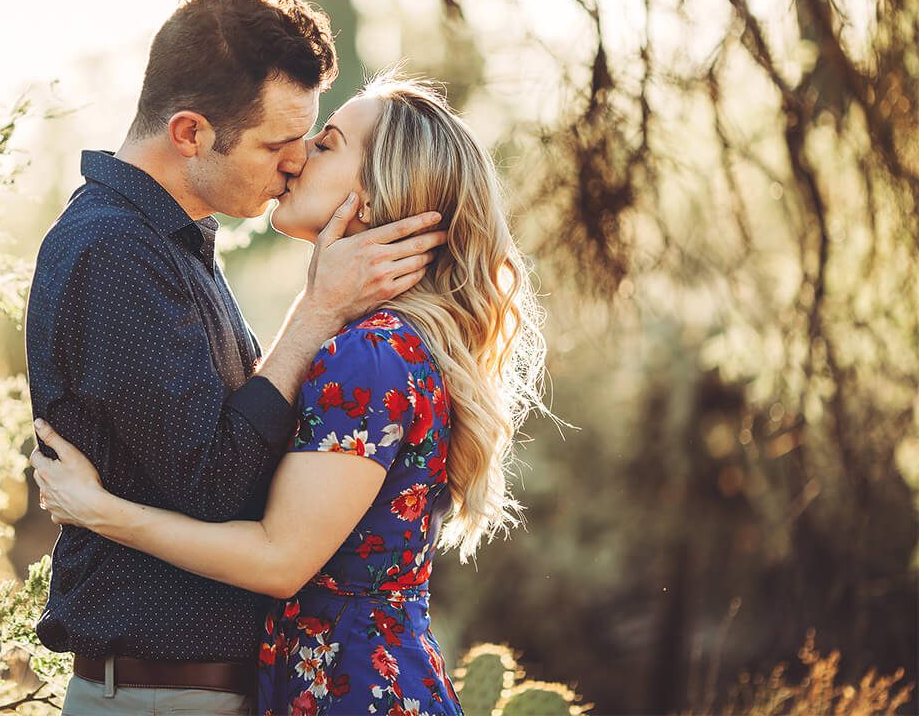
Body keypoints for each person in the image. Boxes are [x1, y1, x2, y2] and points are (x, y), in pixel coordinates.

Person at [32, 74, 549, 715]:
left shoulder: (371, 355)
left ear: (369, 197)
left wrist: (103, 512)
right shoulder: (373, 341)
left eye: (326, 144)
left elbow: (279, 561)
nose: (299, 157)